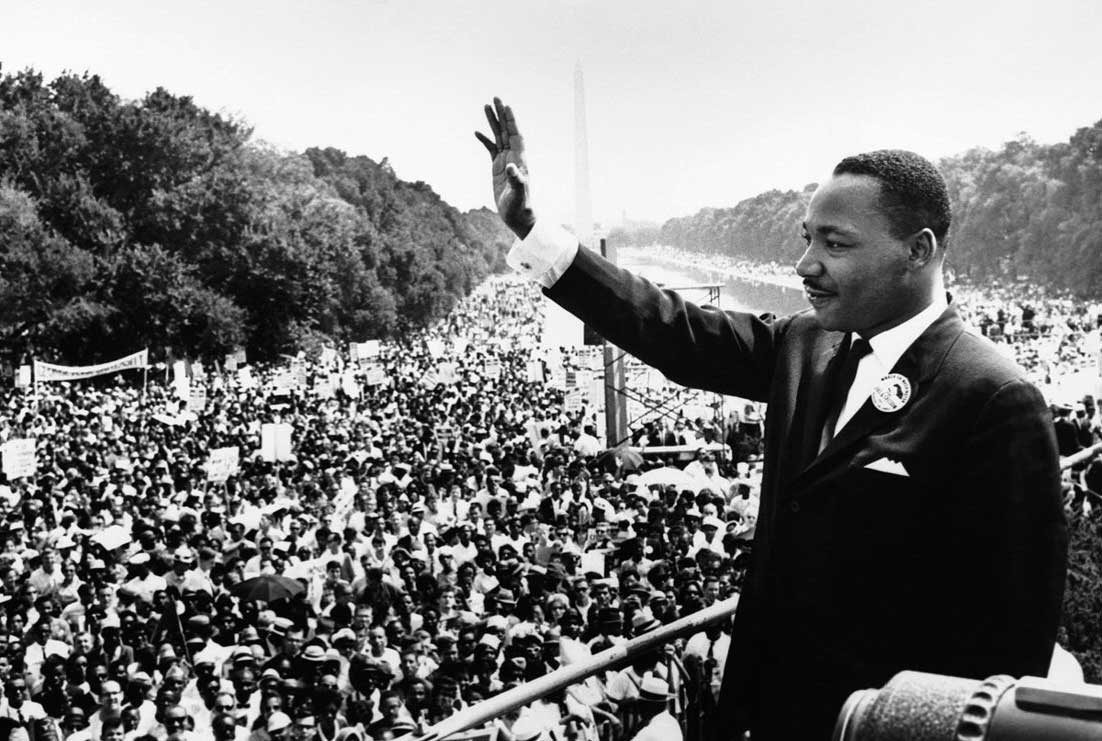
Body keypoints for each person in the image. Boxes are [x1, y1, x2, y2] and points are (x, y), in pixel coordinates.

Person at [476, 97, 1068, 740]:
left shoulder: (993, 398)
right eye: (806, 238)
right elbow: (669, 329)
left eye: (834, 243)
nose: (804, 264)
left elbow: (1007, 653)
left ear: (917, 251)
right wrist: (533, 230)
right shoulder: (805, 343)